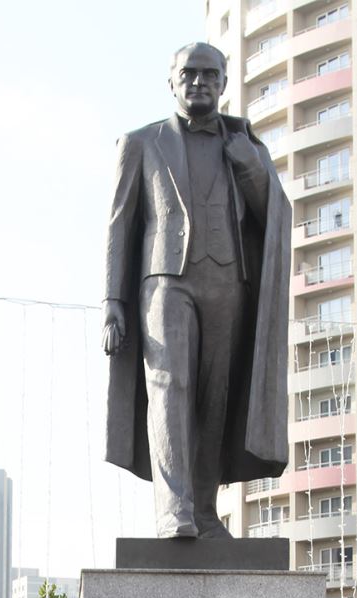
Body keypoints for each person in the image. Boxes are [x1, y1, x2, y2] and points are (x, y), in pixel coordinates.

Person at [102, 41, 289, 538]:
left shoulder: (246, 144)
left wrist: (249, 164)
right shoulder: (141, 143)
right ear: (172, 83)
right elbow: (120, 225)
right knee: (169, 386)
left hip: (229, 282)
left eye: (209, 74)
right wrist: (113, 301)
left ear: (224, 83)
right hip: (165, 282)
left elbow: (274, 214)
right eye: (189, 73)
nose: (199, 82)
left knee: (215, 397)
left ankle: (204, 511)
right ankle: (174, 508)